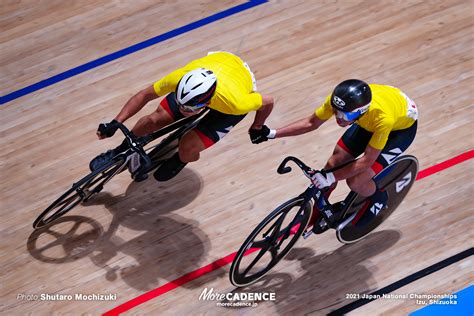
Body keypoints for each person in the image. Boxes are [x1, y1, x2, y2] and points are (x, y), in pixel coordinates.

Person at [251, 79, 418, 233]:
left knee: (356, 181)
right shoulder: (340, 100)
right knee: (333, 164)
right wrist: (271, 133)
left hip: (399, 132)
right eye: (337, 112)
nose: (340, 118)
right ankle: (316, 213)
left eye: (346, 116)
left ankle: (379, 198)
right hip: (371, 119)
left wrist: (330, 178)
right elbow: (311, 122)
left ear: (361, 111)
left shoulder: (383, 119)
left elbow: (367, 161)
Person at [89, 52, 274, 181]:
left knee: (188, 147)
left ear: (207, 102)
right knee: (153, 120)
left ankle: (180, 159)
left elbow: (268, 101)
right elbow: (143, 95)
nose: (183, 110)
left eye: (189, 108)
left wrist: (257, 127)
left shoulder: (235, 102)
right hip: (219, 62)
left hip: (238, 84)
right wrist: (116, 122)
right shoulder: (179, 78)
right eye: (180, 104)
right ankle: (120, 150)